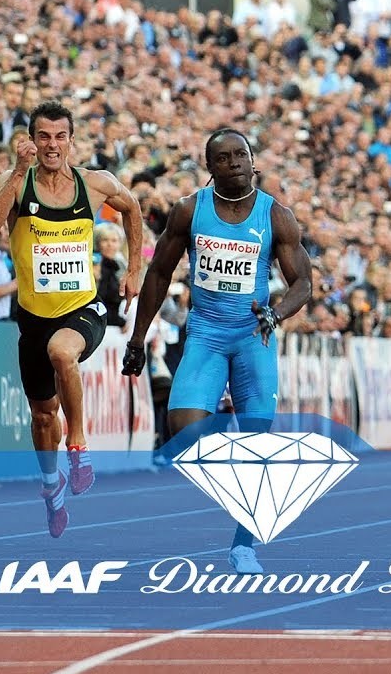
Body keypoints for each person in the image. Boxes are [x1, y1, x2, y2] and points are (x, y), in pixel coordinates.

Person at [122, 129, 313, 574]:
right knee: (184, 432)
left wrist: (276, 314)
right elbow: (158, 273)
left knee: (258, 446)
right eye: (223, 157)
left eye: (240, 154)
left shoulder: (276, 216)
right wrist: (136, 338)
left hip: (253, 338)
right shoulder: (190, 211)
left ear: (252, 160)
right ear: (210, 167)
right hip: (206, 333)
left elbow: (303, 282)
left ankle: (243, 544)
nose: (234, 162)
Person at [0, 105, 143, 538]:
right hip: (33, 317)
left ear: (71, 139)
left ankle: (79, 446)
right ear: (32, 140)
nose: (52, 145)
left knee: (62, 352)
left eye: (60, 136)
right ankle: (52, 488)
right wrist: (17, 172)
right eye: (44, 137)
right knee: (42, 416)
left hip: (82, 307)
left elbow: (132, 207)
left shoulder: (94, 183)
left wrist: (134, 269)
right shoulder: (17, 182)